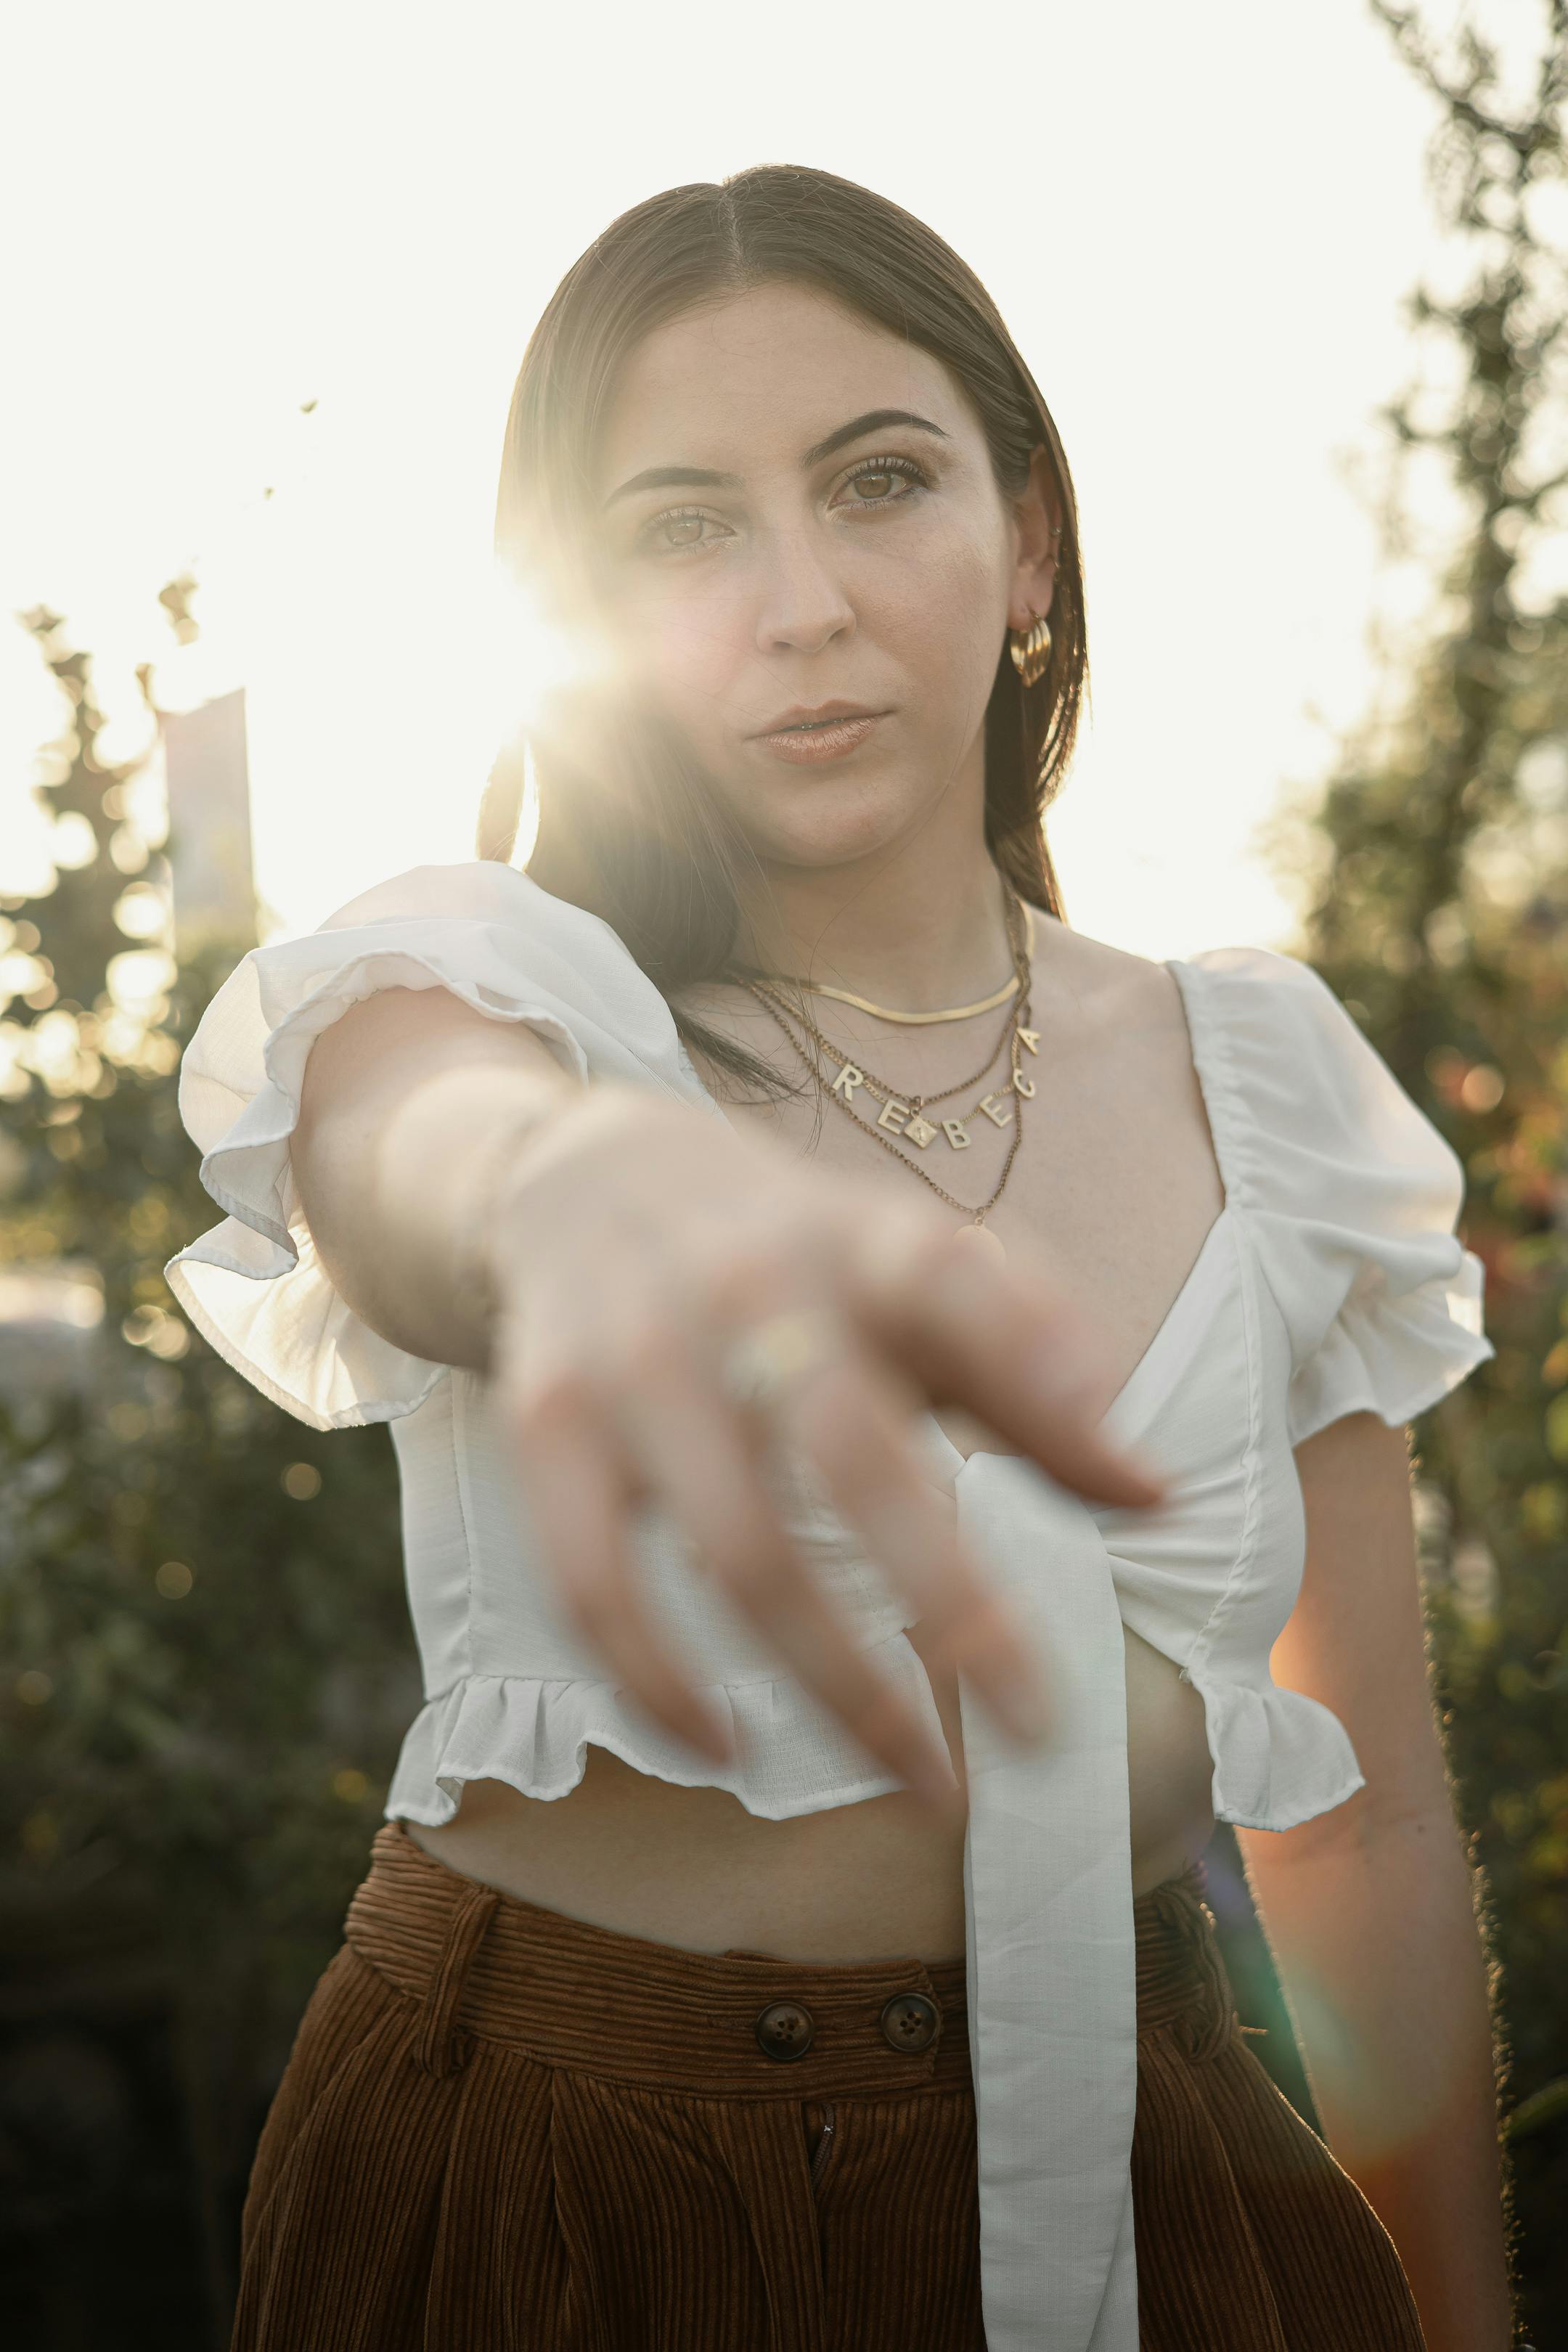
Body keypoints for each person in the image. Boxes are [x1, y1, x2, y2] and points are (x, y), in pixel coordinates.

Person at [166, 166, 1516, 2352]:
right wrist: (570, 1203)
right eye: (682, 526)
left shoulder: (1269, 1082)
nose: (797, 602)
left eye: (878, 480)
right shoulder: (509, 990)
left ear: (1030, 545)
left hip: (1176, 2187)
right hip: (560, 2194)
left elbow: (1361, 1840)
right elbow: (417, 1145)